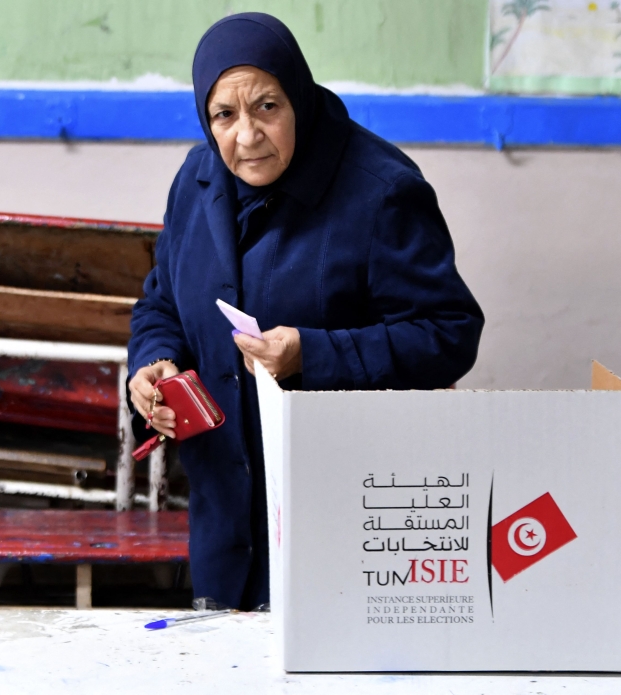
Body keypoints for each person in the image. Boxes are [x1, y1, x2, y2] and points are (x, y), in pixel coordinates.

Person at [126, 13, 484, 611]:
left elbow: (450, 334)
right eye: (225, 115)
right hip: (223, 523)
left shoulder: (381, 191)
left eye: (267, 106)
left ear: (299, 95)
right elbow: (161, 299)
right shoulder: (197, 179)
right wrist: (154, 363)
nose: (246, 135)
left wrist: (312, 354)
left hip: (343, 522)